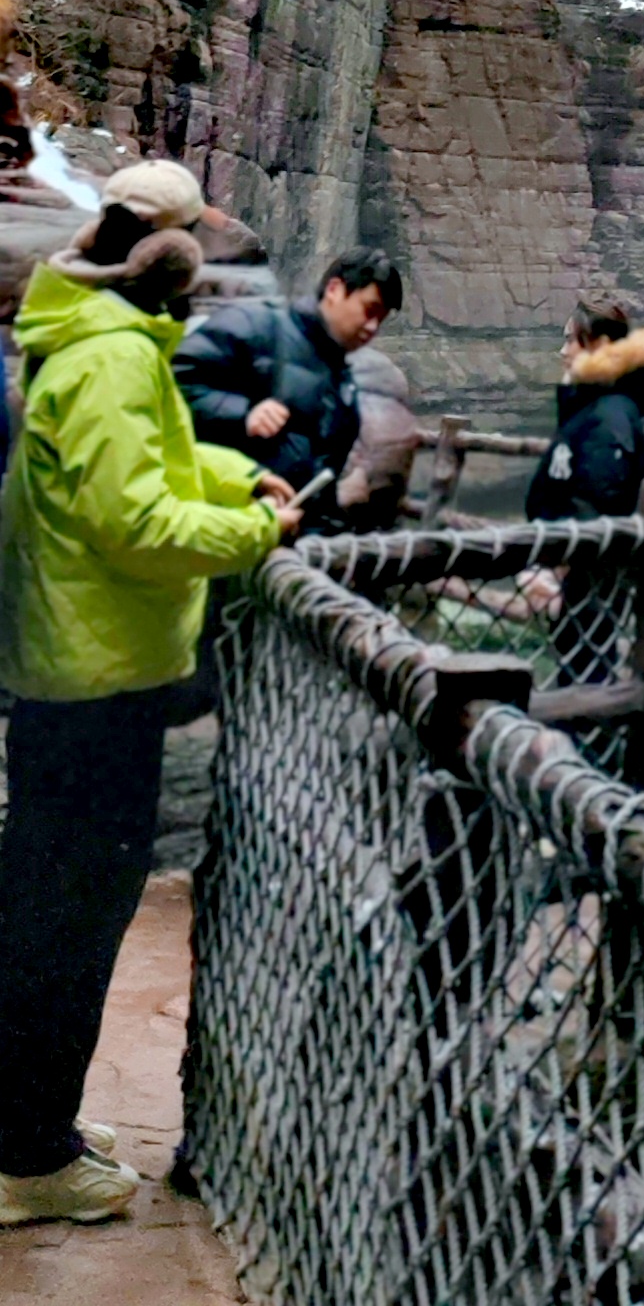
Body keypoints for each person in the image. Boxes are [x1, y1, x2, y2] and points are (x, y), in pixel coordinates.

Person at [0, 185, 295, 1229]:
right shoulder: (117, 353)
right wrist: (252, 536)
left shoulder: (84, 331)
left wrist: (231, 481)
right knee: (67, 923)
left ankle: (30, 1120)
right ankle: (29, 1153)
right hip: (96, 678)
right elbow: (132, 522)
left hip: (71, 669)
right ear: (167, 263)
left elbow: (149, 469)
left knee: (48, 907)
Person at [173, 246, 402, 505]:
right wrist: (242, 414)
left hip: (287, 529)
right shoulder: (257, 327)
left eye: (380, 320)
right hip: (223, 518)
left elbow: (323, 475)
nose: (373, 327)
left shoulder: (342, 381)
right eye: (369, 310)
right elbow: (168, 386)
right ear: (334, 290)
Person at [526, 298, 644, 520]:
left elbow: (595, 513)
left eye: (570, 340)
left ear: (598, 345)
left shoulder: (610, 418)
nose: (563, 352)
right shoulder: (589, 408)